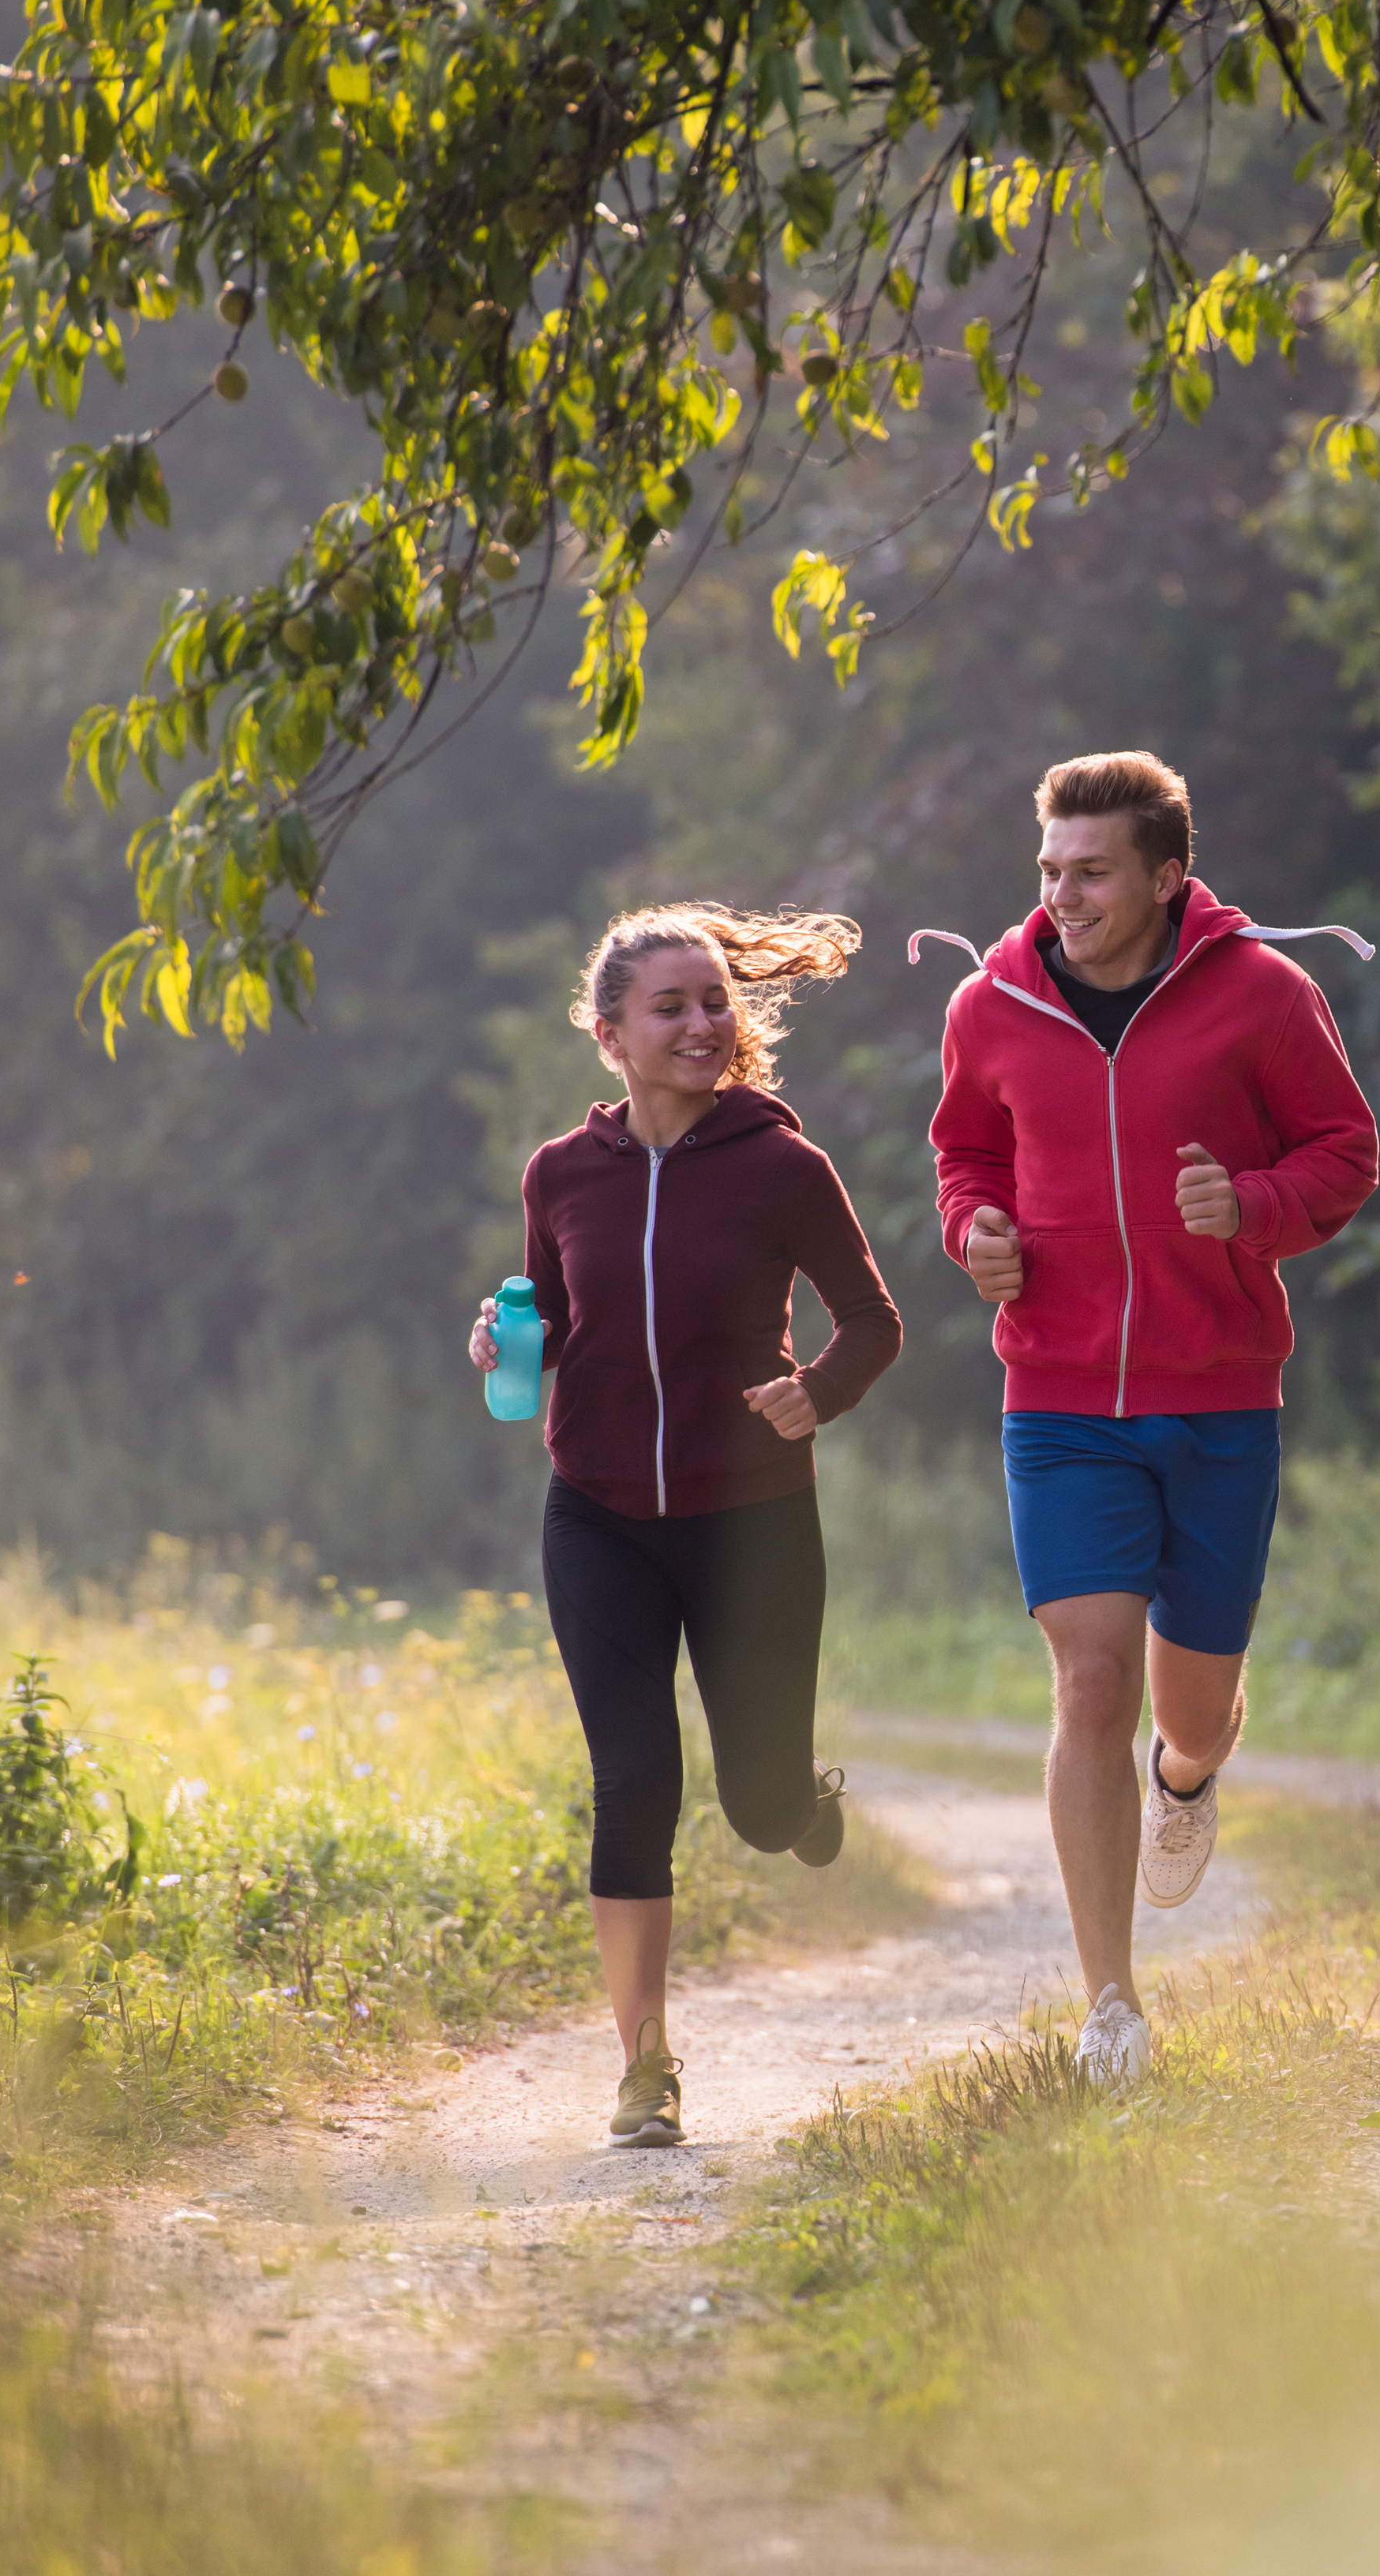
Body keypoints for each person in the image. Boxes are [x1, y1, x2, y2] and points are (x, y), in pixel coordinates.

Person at [916, 752, 1378, 2087]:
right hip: (1058, 1398)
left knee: (1192, 1706)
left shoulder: (1263, 995)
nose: (1062, 895)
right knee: (1091, 1682)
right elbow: (966, 1150)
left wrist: (1252, 1204)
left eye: (1092, 871)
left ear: (1167, 876)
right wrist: (973, 1231)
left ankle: (1188, 1776)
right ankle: (1110, 2003)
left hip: (1219, 1388)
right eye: (1049, 869)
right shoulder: (990, 1003)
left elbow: (1344, 1150)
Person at [468, 904, 902, 2145]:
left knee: (759, 1808)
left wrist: (812, 1393)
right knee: (633, 1778)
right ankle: (644, 2065)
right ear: (611, 1035)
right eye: (673, 1007)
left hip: (753, 1513)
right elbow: (544, 1311)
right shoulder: (559, 1172)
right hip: (596, 1508)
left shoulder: (783, 1167)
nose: (704, 1023)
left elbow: (874, 1323)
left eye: (715, 1002)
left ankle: (801, 1803)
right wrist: (500, 1339)